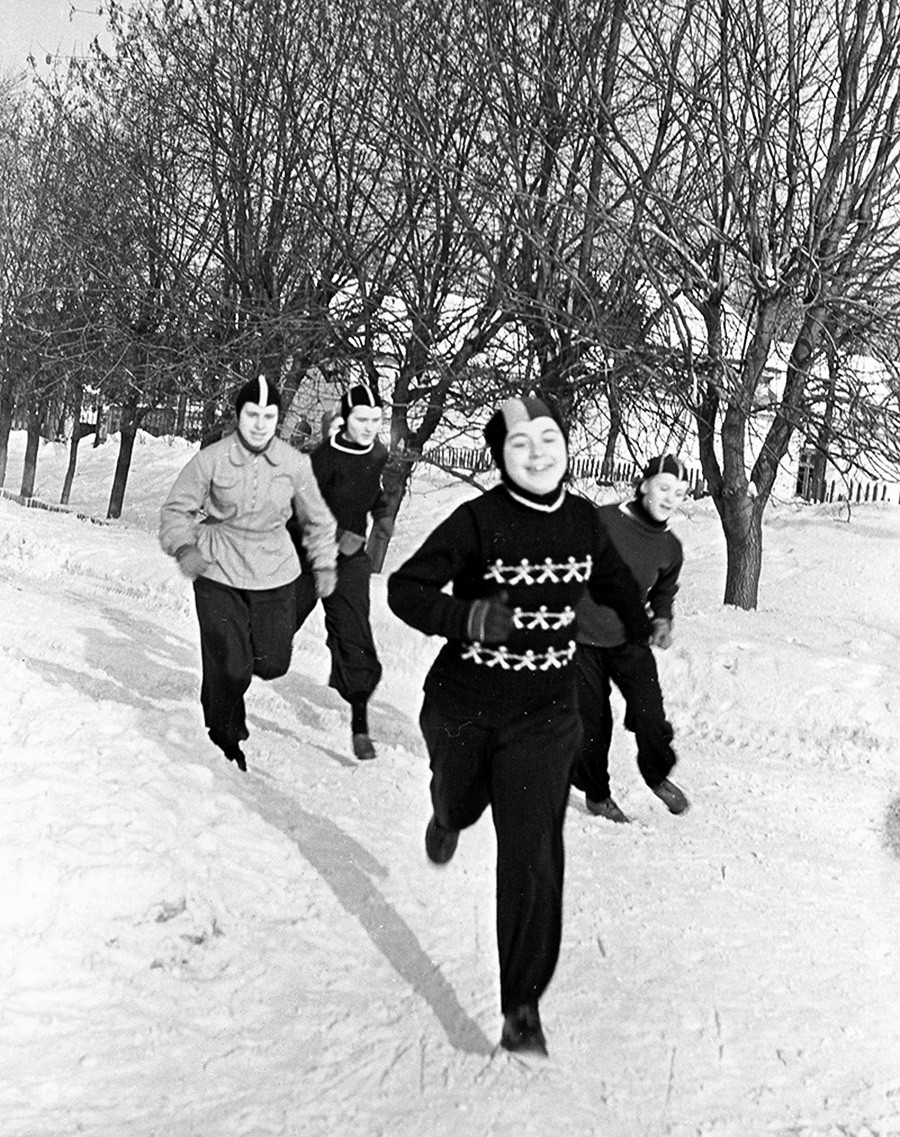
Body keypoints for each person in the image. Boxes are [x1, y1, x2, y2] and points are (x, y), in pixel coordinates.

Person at [387, 396, 652, 1058]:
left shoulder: (585, 523)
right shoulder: (478, 521)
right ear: (500, 457)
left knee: (533, 852)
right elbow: (405, 588)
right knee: (458, 798)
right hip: (466, 704)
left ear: (566, 446)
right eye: (519, 444)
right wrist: (468, 618)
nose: (537, 453)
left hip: (545, 714)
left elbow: (617, 585)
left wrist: (644, 626)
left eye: (548, 440)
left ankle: (522, 1003)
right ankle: (446, 815)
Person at [160, 375, 338, 772]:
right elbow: (176, 509)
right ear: (239, 415)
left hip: (273, 570)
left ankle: (225, 691)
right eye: (252, 414)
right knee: (231, 662)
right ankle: (225, 735)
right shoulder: (211, 459)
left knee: (272, 662)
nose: (260, 423)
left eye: (269, 415)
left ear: (278, 418)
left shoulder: (294, 464)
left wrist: (324, 562)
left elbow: (319, 520)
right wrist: (185, 546)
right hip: (218, 567)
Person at [571, 453, 690, 823]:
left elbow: (663, 591)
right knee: (593, 723)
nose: (671, 498)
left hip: (630, 639)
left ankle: (656, 776)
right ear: (643, 487)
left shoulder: (671, 547)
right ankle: (597, 795)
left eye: (680, 493)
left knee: (650, 713)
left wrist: (663, 620)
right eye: (664, 488)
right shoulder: (602, 521)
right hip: (581, 638)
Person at [290, 384, 394, 761]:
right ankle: (227, 690)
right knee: (273, 637)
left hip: (350, 563)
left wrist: (381, 514)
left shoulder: (377, 453)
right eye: (361, 420)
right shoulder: (323, 458)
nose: (369, 427)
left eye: (375, 420)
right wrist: (337, 535)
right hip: (308, 558)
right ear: (346, 418)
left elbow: (372, 491)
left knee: (356, 639)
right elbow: (300, 510)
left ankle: (360, 728)